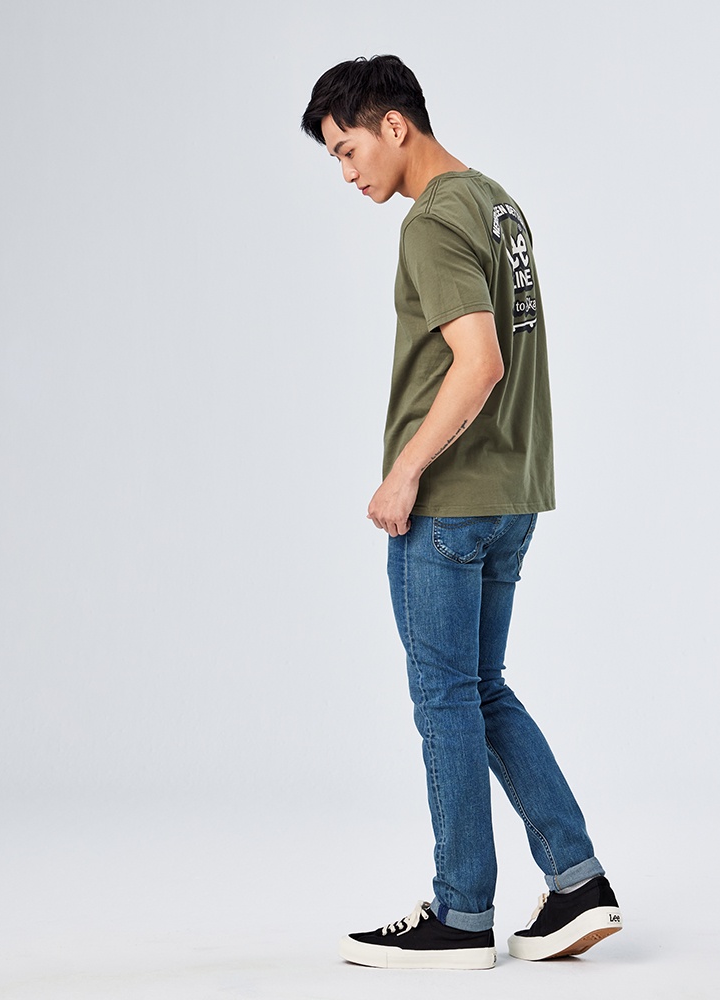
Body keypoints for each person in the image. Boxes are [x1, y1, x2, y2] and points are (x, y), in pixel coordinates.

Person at [301, 54, 621, 970]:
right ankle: (577, 883)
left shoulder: (433, 220)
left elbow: (479, 363)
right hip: (512, 493)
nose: (346, 171)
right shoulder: (497, 204)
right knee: (480, 689)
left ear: (394, 125)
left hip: (448, 501)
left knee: (445, 697)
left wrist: (404, 472)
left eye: (347, 148)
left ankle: (461, 914)